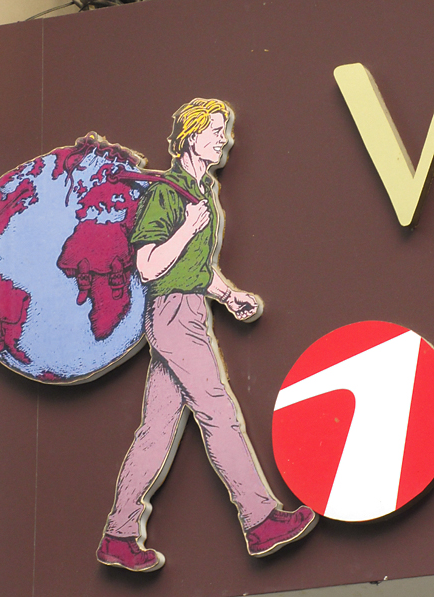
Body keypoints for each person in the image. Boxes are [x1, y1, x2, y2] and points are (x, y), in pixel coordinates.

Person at [96, 98, 317, 572]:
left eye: (225, 131)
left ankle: (118, 535)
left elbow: (197, 268)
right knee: (219, 413)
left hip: (190, 309)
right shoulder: (167, 193)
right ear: (191, 136)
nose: (225, 139)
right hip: (173, 315)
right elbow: (149, 266)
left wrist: (230, 296)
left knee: (157, 432)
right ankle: (260, 520)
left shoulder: (205, 191)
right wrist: (185, 229)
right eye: (216, 131)